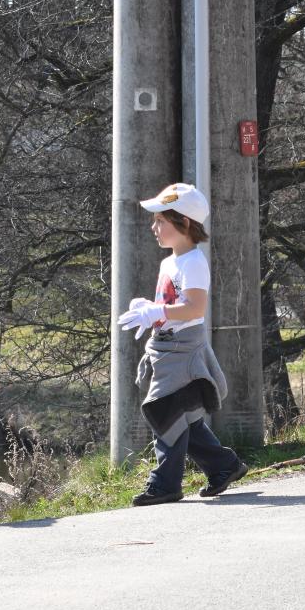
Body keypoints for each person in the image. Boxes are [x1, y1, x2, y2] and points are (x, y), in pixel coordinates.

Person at [118, 182, 247, 505]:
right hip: (166, 347)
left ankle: (165, 484)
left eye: (161, 221)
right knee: (182, 415)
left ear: (184, 223)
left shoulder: (194, 262)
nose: (154, 227)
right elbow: (173, 305)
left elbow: (194, 309)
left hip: (183, 350)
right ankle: (223, 465)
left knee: (163, 409)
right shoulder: (169, 262)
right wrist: (149, 310)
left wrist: (158, 312)